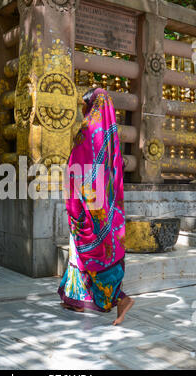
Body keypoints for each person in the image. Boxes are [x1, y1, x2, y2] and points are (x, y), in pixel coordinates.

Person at [58, 88, 134, 326]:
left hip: (86, 205)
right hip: (106, 208)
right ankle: (76, 298)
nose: (83, 109)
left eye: (84, 104)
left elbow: (77, 166)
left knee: (82, 249)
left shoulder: (87, 129)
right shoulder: (111, 136)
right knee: (100, 251)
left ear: (91, 104)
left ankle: (119, 298)